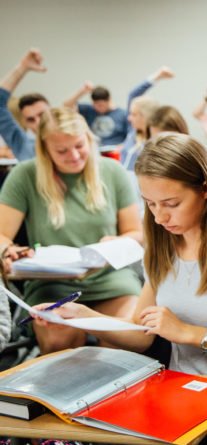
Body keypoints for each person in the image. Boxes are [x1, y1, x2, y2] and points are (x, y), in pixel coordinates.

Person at [37, 132, 207, 445]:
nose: (159, 217)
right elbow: (141, 333)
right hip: (178, 393)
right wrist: (84, 318)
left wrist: (188, 332)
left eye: (171, 203)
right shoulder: (162, 246)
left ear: (205, 189)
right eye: (150, 204)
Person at [0, 107, 142, 354]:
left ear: (89, 139)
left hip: (111, 278)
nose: (74, 156)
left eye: (79, 145)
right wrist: (7, 251)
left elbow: (135, 232)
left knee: (123, 337)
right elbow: (2, 236)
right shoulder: (25, 175)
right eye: (62, 151)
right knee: (59, 344)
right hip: (51, 284)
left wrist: (117, 243)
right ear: (45, 150)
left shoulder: (112, 171)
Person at [146, 105, 207, 188]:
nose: (164, 146)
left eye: (169, 139)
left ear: (182, 132)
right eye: (157, 140)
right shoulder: (147, 162)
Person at [120, 66, 175, 170]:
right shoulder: (133, 132)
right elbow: (133, 95)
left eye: (134, 114)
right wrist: (157, 76)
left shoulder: (157, 142)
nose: (129, 118)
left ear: (145, 116)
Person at [0, 48, 49, 161]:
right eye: (31, 119)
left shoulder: (73, 142)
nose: (38, 122)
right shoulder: (24, 145)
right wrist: (23, 68)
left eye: (42, 114)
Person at [63, 83, 129, 149]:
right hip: (95, 149)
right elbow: (66, 106)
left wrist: (122, 146)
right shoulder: (90, 110)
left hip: (114, 150)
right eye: (95, 104)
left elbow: (131, 136)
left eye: (101, 105)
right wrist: (82, 91)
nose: (98, 108)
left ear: (108, 100)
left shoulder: (123, 114)